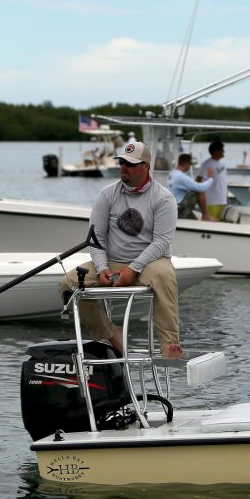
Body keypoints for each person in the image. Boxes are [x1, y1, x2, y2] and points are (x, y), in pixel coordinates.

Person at [59, 141, 184, 359]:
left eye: (131, 163)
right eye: (122, 162)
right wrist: (101, 268)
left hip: (150, 262)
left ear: (146, 166)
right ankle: (110, 333)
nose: (124, 167)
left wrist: (133, 269)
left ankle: (169, 343)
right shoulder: (107, 195)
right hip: (112, 262)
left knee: (164, 275)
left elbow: (162, 241)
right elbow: (96, 238)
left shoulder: (164, 198)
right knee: (68, 284)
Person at [166, 153, 215, 221]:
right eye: (190, 164)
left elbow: (192, 185)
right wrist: (211, 178)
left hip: (172, 209)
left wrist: (198, 178)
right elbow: (200, 188)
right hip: (178, 210)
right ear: (186, 163)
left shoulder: (173, 173)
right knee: (199, 191)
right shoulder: (180, 176)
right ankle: (205, 216)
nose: (190, 166)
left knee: (195, 220)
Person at [199, 140, 228, 220]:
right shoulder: (206, 164)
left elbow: (223, 182)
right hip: (211, 201)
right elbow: (198, 179)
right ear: (215, 151)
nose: (224, 151)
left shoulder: (223, 165)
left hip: (222, 200)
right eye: (222, 150)